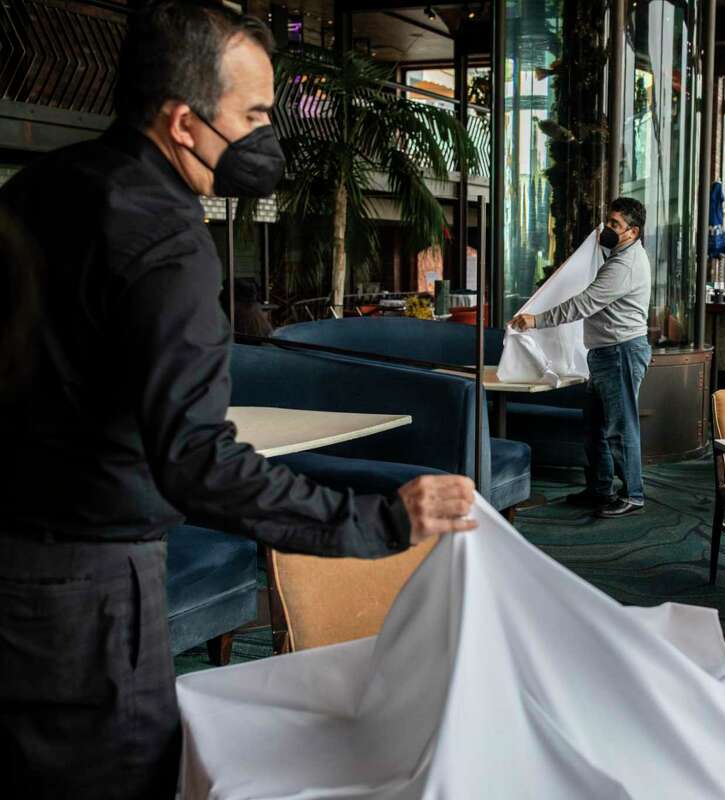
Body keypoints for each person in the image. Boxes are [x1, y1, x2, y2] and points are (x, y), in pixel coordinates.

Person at [0, 2, 476, 796]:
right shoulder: (168, 240)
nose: (267, 135)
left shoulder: (37, 188)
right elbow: (196, 462)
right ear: (185, 123)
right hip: (82, 595)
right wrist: (379, 518)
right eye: (254, 114)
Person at [510, 198, 652, 519]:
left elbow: (584, 304)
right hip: (606, 353)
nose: (606, 229)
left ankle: (633, 494)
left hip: (621, 354)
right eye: (607, 222)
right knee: (595, 428)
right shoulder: (618, 254)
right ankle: (600, 489)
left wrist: (536, 320)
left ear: (632, 232)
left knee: (620, 428)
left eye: (614, 224)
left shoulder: (624, 266)